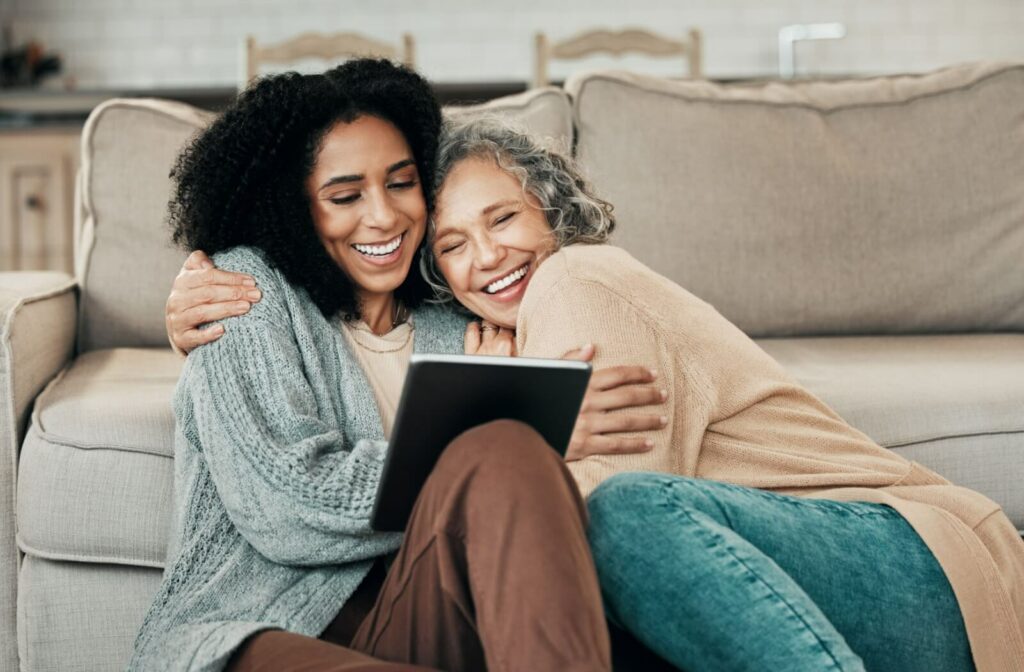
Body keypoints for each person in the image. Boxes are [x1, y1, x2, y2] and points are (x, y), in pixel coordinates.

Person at [413, 116, 1024, 672]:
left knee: (621, 516)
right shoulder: (520, 336)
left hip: (922, 570)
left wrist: (503, 416)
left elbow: (585, 522)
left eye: (502, 218)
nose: (487, 255)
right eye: (453, 246)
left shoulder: (575, 278)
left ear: (549, 209)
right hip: (825, 595)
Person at [134, 60, 662, 672]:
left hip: (414, 622)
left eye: (401, 183)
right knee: (508, 432)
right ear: (290, 207)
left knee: (508, 449)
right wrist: (527, 419)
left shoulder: (459, 312)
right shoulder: (243, 291)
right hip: (254, 631)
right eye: (345, 196)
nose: (384, 216)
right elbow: (285, 508)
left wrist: (518, 418)